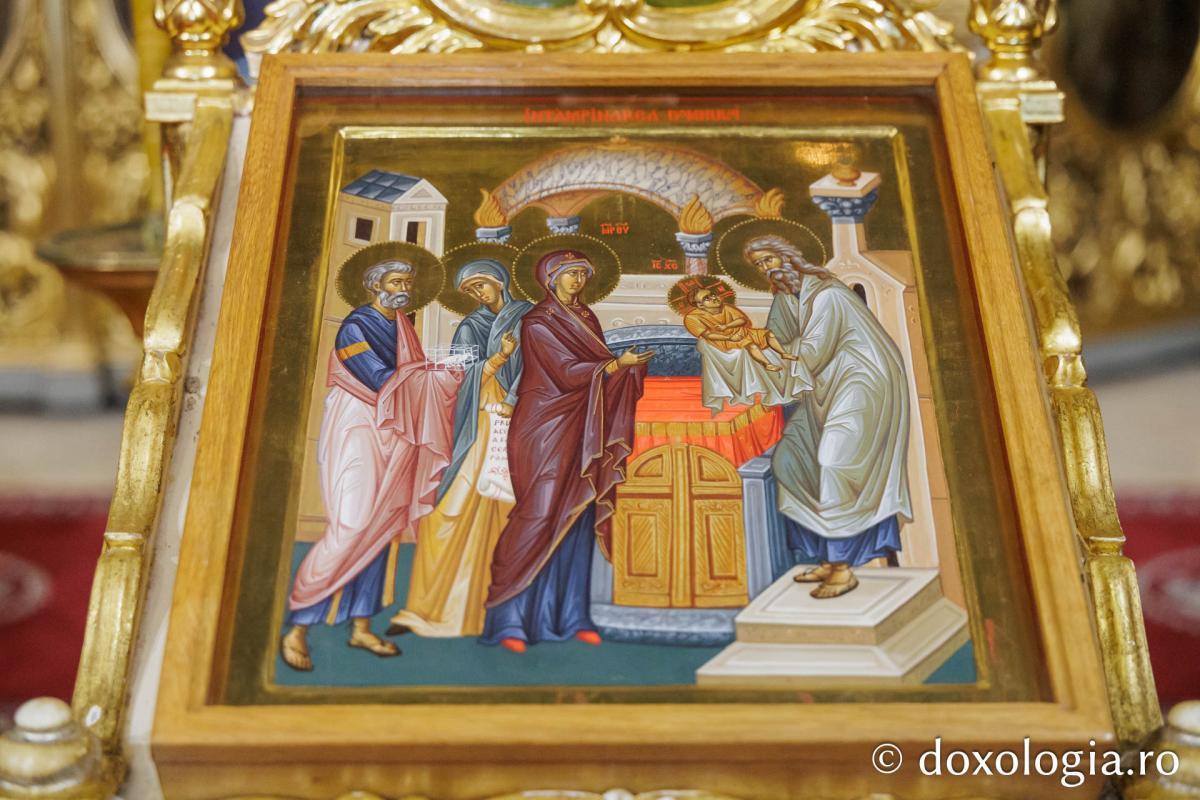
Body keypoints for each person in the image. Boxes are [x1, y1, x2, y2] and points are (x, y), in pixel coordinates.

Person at [280, 260, 463, 670]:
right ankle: (299, 625)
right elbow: (379, 378)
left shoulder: (404, 327)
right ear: (375, 285)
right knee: (353, 524)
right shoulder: (355, 328)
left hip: (394, 429)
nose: (403, 288)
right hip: (359, 426)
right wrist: (436, 377)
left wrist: (442, 374)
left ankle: (361, 626)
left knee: (383, 523)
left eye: (407, 282)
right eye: (396, 281)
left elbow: (408, 377)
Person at [481, 249, 652, 652]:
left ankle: (571, 617)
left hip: (584, 427)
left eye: (582, 273)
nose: (577, 280)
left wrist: (626, 367)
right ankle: (508, 619)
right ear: (550, 278)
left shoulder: (586, 317)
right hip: (543, 427)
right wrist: (615, 366)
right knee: (539, 514)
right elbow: (564, 371)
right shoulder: (538, 321)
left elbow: (600, 369)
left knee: (578, 514)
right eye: (569, 273)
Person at [747, 234, 912, 599]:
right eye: (759, 265)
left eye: (770, 259)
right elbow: (776, 340)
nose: (766, 268)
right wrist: (746, 348)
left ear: (788, 256)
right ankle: (823, 554)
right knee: (790, 460)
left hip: (863, 382)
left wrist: (763, 355)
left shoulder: (828, 294)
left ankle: (842, 566)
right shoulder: (786, 299)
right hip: (821, 390)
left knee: (834, 462)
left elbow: (812, 351)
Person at [387, 259, 533, 638]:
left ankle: (493, 615)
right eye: (470, 291)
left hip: (519, 421)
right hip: (477, 421)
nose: (478, 294)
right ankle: (425, 608)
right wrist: (499, 358)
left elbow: (542, 366)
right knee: (449, 510)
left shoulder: (530, 316)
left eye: (481, 285)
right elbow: (458, 377)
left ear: (499, 281)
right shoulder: (470, 326)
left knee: (505, 512)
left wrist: (514, 397)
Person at [683, 284, 799, 372]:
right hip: (725, 340)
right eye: (707, 298)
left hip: (743, 332)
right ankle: (767, 364)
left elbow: (742, 320)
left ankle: (783, 353)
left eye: (713, 294)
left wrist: (727, 325)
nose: (714, 298)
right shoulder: (692, 318)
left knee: (769, 334)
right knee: (752, 345)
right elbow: (707, 335)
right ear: (700, 305)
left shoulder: (726, 307)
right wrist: (729, 338)